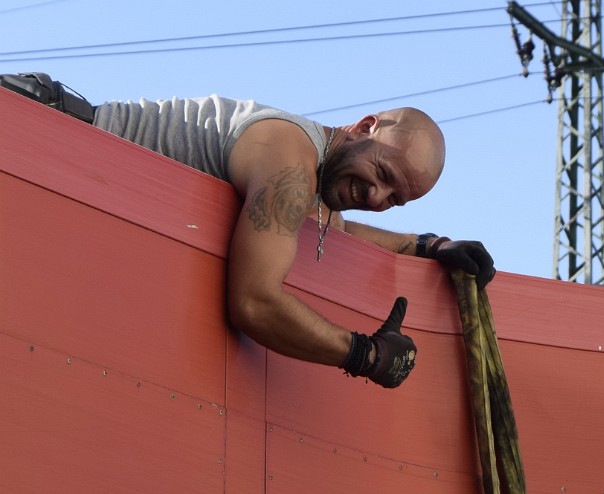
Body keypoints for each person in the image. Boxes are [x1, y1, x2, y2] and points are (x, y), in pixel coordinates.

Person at [1, 73, 495, 389]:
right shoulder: (290, 156)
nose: (377, 198)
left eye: (395, 201)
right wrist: (366, 355)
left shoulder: (312, 184)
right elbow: (254, 302)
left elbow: (338, 232)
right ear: (365, 127)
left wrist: (431, 245)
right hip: (32, 131)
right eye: (383, 176)